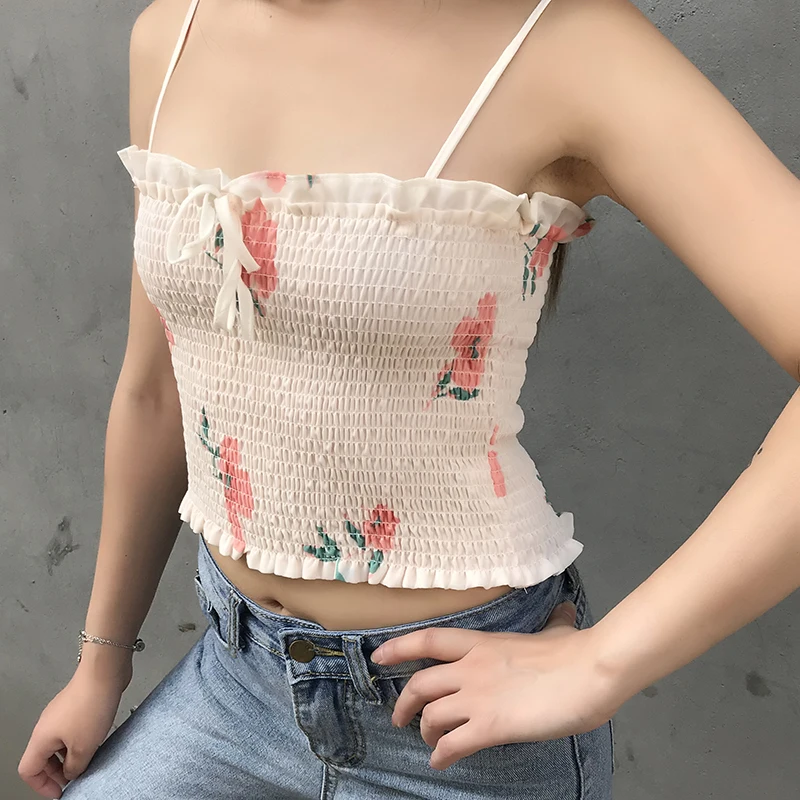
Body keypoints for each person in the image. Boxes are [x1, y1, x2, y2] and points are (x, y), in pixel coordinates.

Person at [17, 0, 800, 797]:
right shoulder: (172, 34)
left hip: (454, 729)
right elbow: (157, 390)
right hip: (235, 678)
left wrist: (605, 665)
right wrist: (100, 664)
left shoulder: (569, 44)